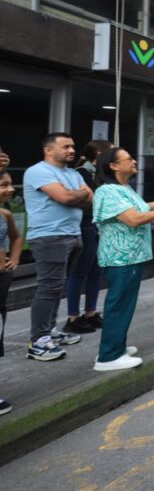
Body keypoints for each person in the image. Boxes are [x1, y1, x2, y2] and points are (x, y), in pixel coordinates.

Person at [92, 147, 154, 371]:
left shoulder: (123, 188)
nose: (134, 162)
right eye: (128, 159)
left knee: (125, 303)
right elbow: (134, 219)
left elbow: (144, 207)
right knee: (118, 304)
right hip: (120, 258)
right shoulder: (107, 191)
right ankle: (108, 356)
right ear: (113, 165)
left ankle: (117, 346)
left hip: (131, 257)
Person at [24, 133, 92, 361]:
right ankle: (39, 340)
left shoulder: (72, 173)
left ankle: (50, 329)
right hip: (49, 236)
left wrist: (75, 195)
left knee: (58, 285)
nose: (72, 150)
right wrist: (75, 195)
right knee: (48, 287)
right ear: (48, 150)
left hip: (73, 234)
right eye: (66, 147)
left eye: (73, 146)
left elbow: (88, 198)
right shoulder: (38, 171)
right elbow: (64, 197)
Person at [64, 139, 111, 335]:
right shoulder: (80, 174)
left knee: (95, 271)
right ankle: (73, 316)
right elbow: (87, 200)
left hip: (98, 225)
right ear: (99, 154)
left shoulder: (102, 175)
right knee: (79, 271)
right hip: (84, 224)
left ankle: (90, 312)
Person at [0, 168, 24, 414]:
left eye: (10, 184)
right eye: (3, 185)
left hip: (2, 279)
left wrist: (14, 258)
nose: (10, 189)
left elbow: (16, 238)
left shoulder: (5, 214)